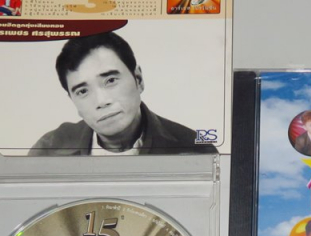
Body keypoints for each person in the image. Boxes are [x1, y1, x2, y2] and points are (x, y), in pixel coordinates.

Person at [29, 32, 218, 155]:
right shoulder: (48, 150)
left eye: (110, 81)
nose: (102, 101)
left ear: (138, 80)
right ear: (73, 101)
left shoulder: (195, 150)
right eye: (83, 91)